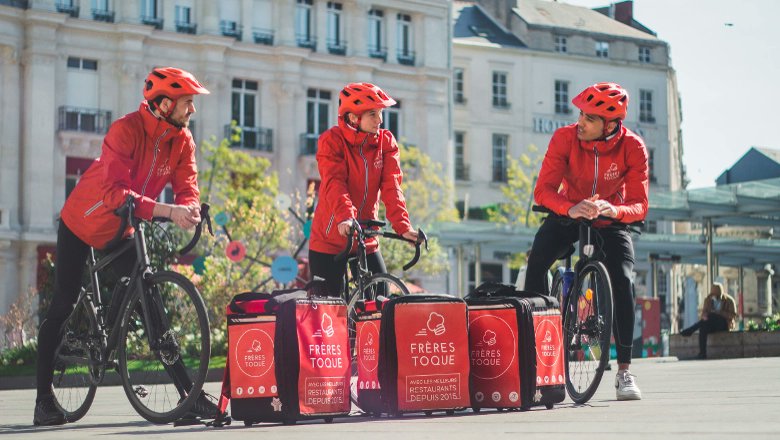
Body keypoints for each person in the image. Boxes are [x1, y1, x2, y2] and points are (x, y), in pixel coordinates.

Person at [34, 67, 214, 426]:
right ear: (164, 104)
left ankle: (187, 397)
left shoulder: (183, 140)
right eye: (187, 103)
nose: (192, 110)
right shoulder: (125, 130)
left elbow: (186, 183)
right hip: (82, 222)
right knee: (64, 301)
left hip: (124, 225)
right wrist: (167, 210)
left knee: (153, 304)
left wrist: (190, 207)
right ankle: (43, 400)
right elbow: (115, 193)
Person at [524, 82, 649, 401]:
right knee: (536, 262)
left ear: (610, 125)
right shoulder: (565, 138)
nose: (580, 122)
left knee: (623, 280)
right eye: (580, 114)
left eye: (589, 118)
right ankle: (535, 358)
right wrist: (570, 207)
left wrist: (615, 209)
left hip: (610, 220)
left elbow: (640, 204)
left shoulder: (633, 147)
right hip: (569, 212)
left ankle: (624, 371)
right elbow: (543, 191)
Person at [309, 82, 418, 297]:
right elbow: (334, 183)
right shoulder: (332, 141)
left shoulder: (385, 142)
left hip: (365, 237)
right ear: (352, 118)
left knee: (380, 302)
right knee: (330, 314)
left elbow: (392, 186)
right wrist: (345, 217)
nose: (380, 120)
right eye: (373, 114)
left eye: (380, 113)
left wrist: (403, 226)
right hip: (330, 240)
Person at [680, 282, 737, 359]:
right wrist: (704, 316)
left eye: (716, 295)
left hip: (724, 324)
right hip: (711, 324)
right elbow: (704, 312)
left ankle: (691, 330)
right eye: (713, 294)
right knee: (703, 327)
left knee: (712, 316)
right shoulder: (708, 300)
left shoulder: (729, 300)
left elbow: (732, 315)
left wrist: (719, 312)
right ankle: (702, 353)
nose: (714, 296)